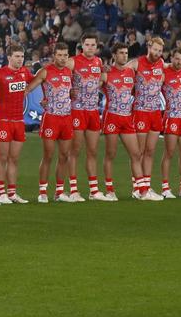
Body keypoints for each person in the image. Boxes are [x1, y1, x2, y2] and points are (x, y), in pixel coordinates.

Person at [28, 44, 77, 203]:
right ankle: (42, 192)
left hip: (66, 118)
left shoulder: (69, 72)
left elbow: (67, 91)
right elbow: (28, 89)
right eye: (60, 55)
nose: (63, 58)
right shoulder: (45, 71)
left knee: (64, 156)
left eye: (65, 55)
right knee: (48, 155)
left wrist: (71, 93)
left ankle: (59, 192)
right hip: (51, 119)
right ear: (54, 56)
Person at [0, 44, 33, 204]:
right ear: (9, 57)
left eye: (22, 57)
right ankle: (0, 193)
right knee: (2, 157)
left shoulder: (25, 73)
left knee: (14, 159)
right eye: (17, 56)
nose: (20, 59)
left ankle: (12, 193)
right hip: (3, 121)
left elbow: (39, 79)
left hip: (19, 121)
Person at [130, 37, 166, 200]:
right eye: (155, 49)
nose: (157, 53)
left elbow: (170, 66)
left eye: (160, 51)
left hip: (156, 112)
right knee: (139, 152)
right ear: (149, 47)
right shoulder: (137, 63)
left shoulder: (161, 63)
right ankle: (137, 187)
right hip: (141, 112)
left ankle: (147, 186)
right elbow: (123, 68)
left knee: (150, 151)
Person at [71, 33, 105, 201]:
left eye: (93, 45)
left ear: (96, 47)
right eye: (88, 45)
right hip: (77, 110)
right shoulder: (73, 61)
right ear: (82, 46)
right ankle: (73, 190)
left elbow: (101, 79)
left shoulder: (98, 62)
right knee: (75, 150)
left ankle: (93, 191)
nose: (90, 48)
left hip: (93, 110)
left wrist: (99, 82)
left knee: (92, 151)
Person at [101, 44, 137, 202]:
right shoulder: (106, 73)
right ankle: (109, 190)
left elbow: (134, 90)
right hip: (112, 118)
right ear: (114, 55)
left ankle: (140, 189)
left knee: (136, 154)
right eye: (121, 53)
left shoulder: (131, 72)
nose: (124, 56)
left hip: (127, 118)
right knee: (111, 154)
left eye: (126, 53)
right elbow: (94, 87)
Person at [160, 45, 181, 198]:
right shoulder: (164, 71)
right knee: (169, 153)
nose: (179, 62)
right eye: (177, 59)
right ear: (171, 58)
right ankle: (165, 188)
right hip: (171, 117)